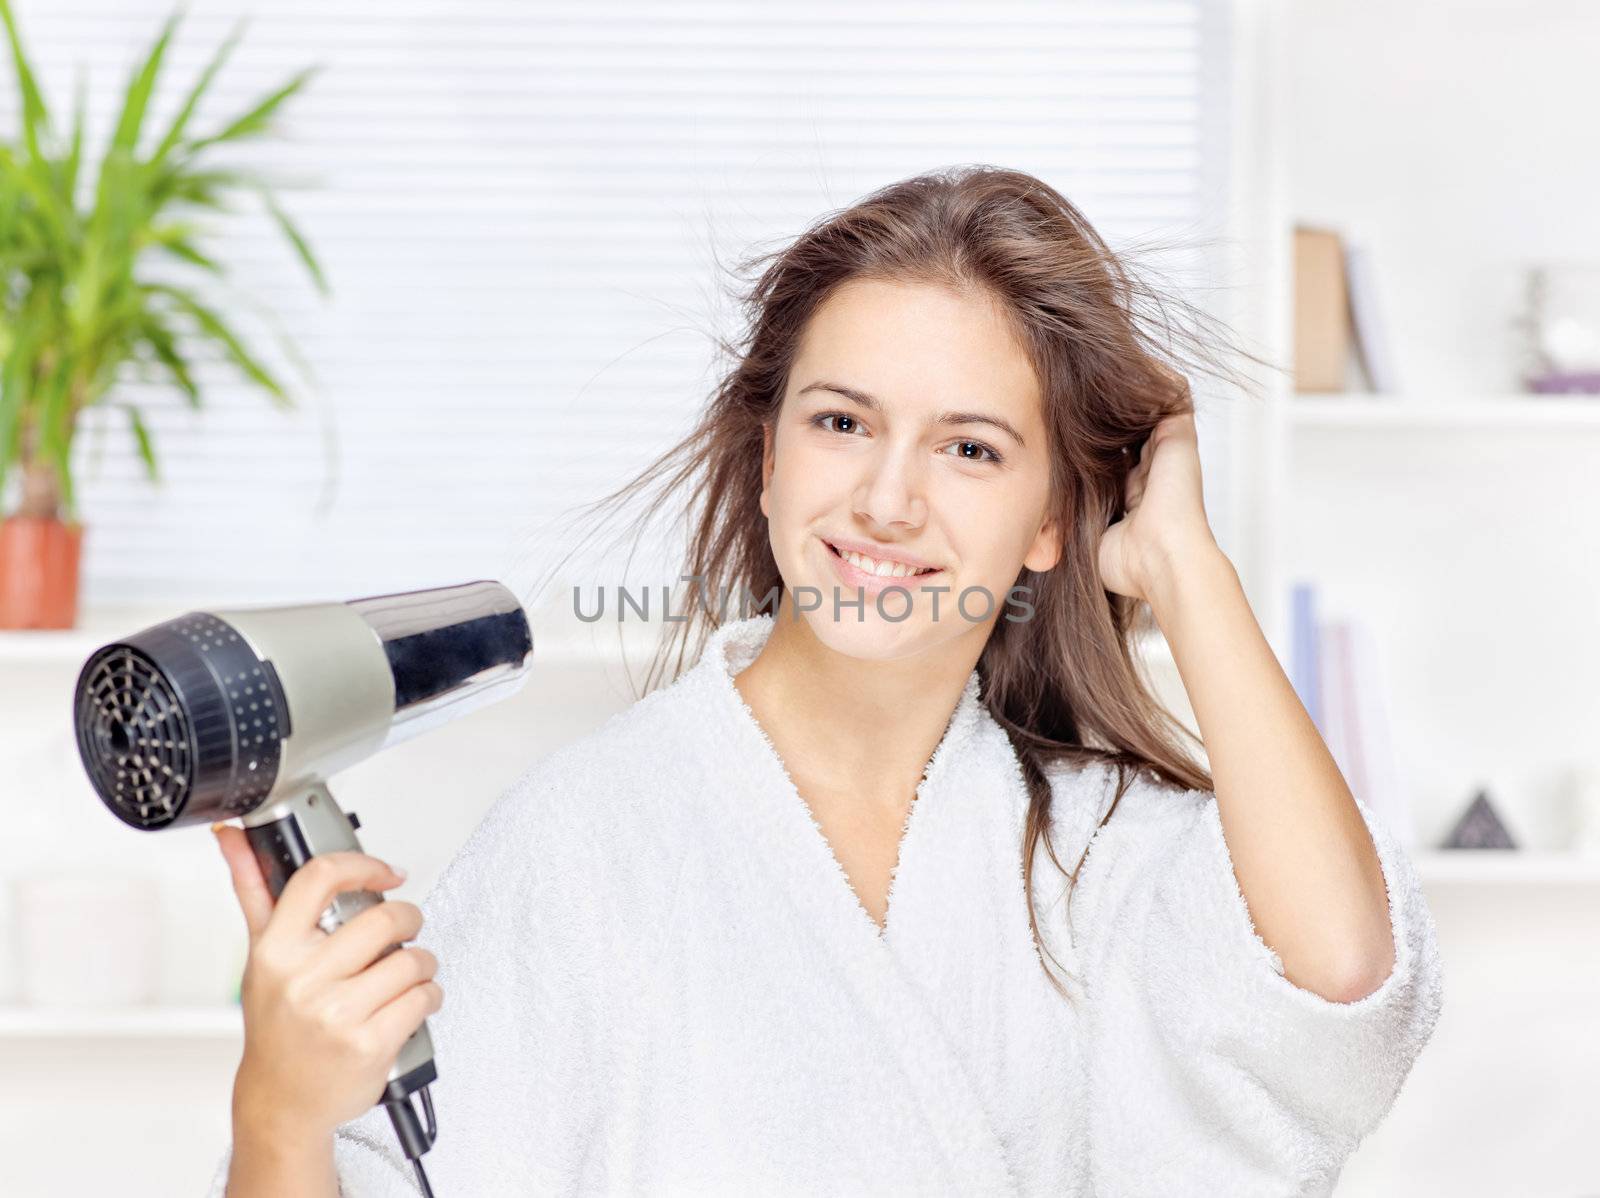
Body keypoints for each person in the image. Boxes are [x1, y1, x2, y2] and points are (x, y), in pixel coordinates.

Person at [206, 166, 1444, 1196]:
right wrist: (276, 1116)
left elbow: (1339, 993)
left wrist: (1185, 567)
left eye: (970, 447)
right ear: (767, 458)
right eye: (841, 422)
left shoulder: (1098, 850)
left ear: (1052, 521)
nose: (886, 499)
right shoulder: (580, 845)